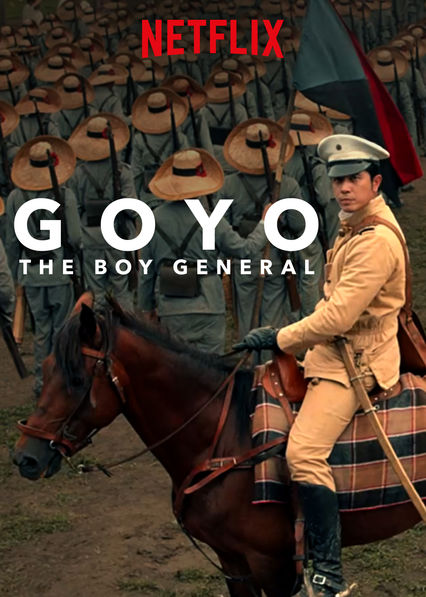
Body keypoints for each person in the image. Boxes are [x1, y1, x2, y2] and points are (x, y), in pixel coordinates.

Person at [235, 134, 406, 597]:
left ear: (375, 183)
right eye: (338, 181)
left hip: (357, 362)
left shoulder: (374, 240)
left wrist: (279, 337)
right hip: (332, 350)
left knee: (303, 454)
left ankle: (328, 572)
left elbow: (338, 317)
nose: (344, 188)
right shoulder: (355, 224)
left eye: (354, 179)